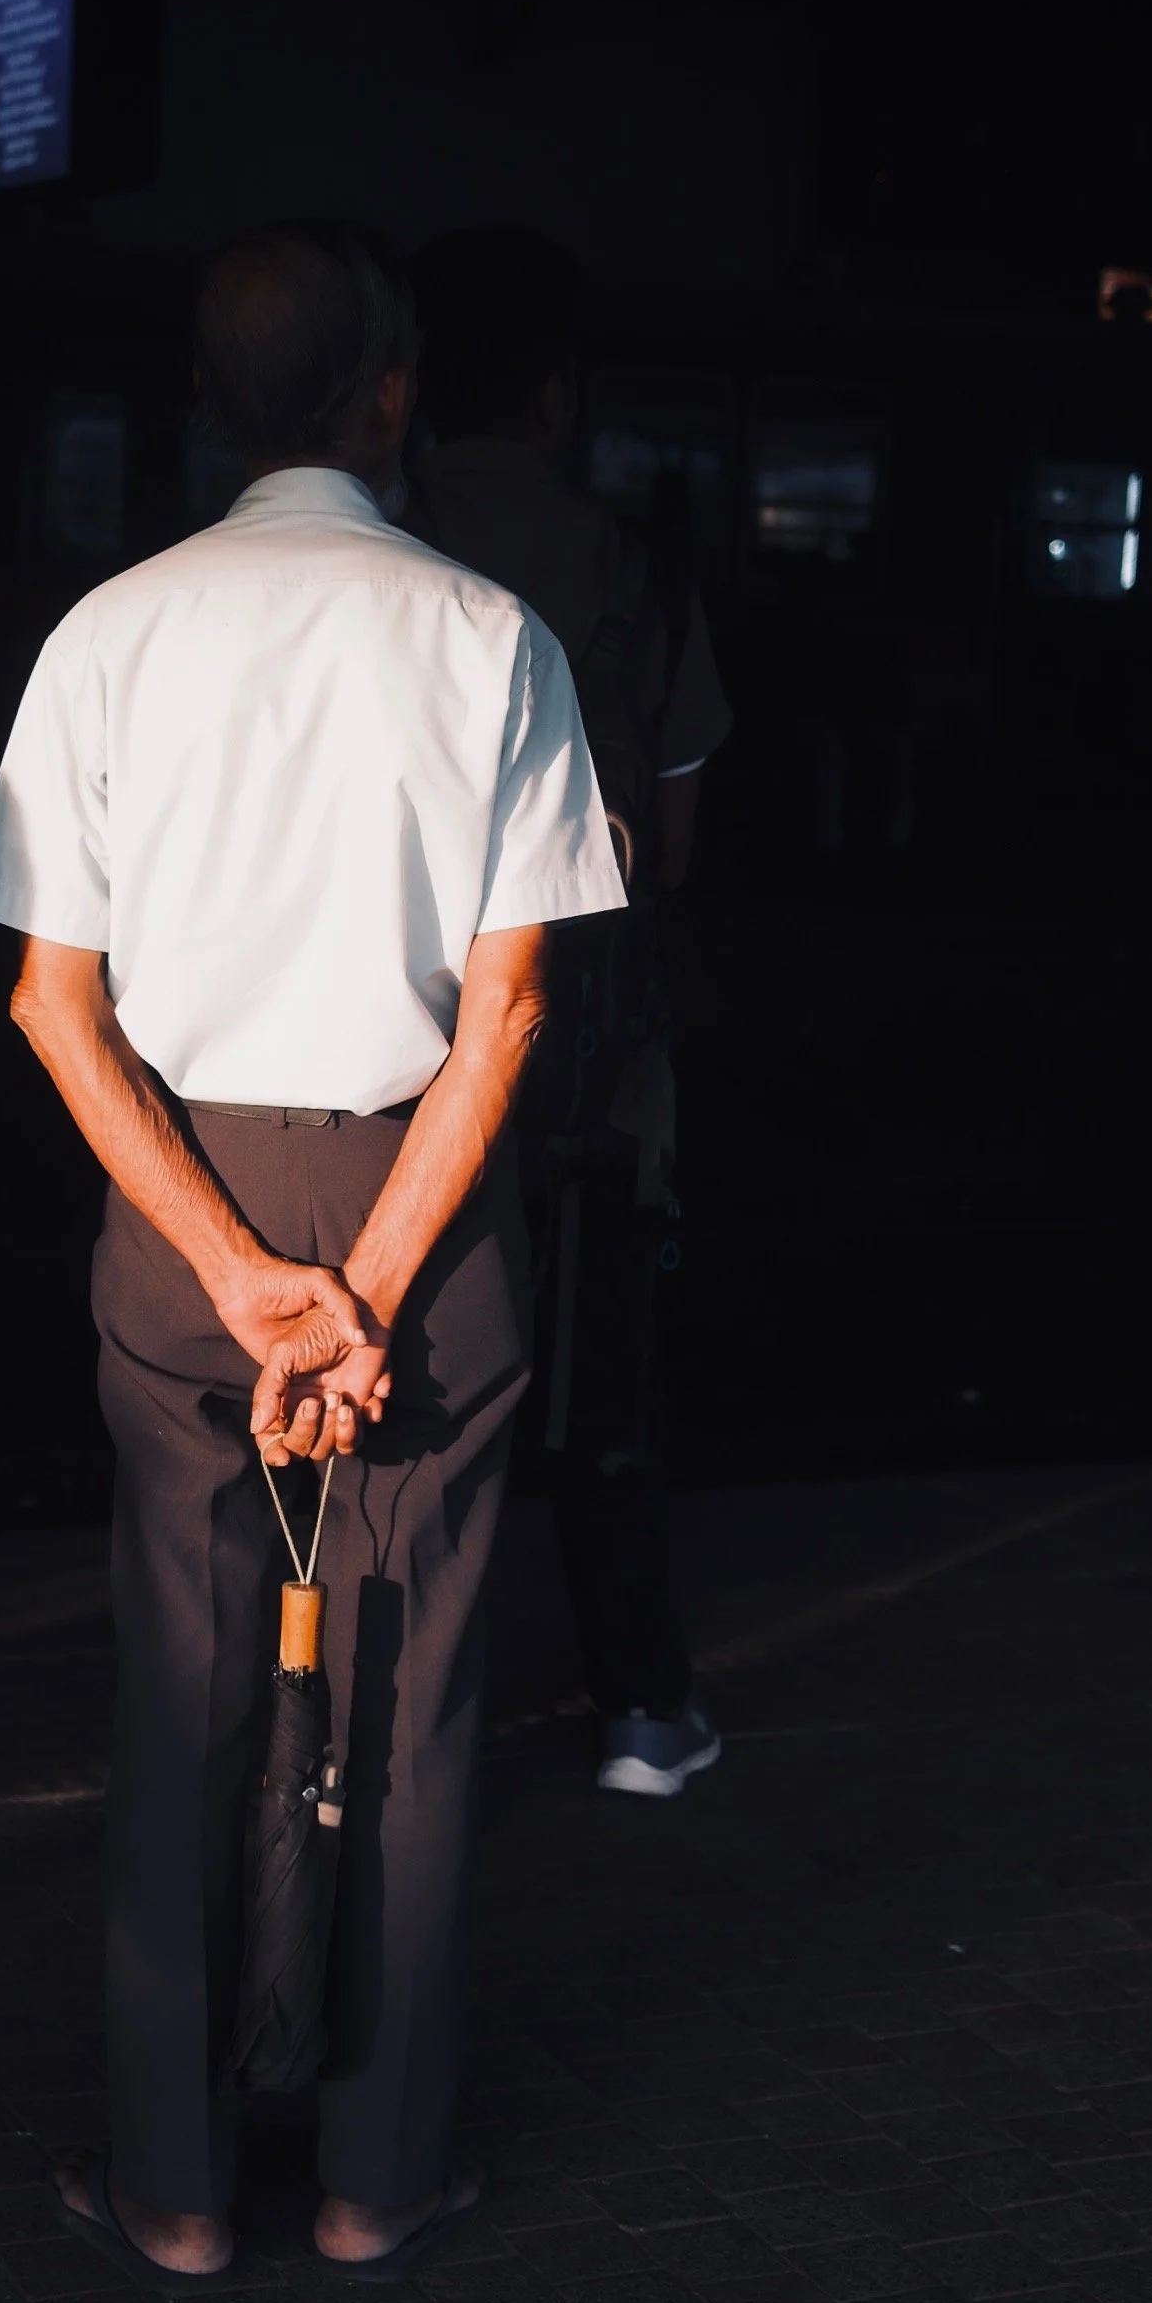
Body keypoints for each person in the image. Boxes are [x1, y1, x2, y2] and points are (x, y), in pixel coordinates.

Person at [0, 221, 625, 2280]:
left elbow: (53, 1010)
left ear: (210, 404)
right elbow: (505, 1017)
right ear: (390, 393)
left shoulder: (106, 635)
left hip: (183, 1231)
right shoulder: (493, 636)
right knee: (413, 1713)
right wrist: (370, 1280)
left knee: (185, 1692)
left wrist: (244, 1279)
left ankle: (169, 2187)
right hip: (429, 1208)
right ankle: (372, 2179)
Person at [411, 227, 731, 1800]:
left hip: (400, 1062)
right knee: (604, 1384)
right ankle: (640, 1705)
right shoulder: (639, 575)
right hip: (596, 1065)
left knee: (408, 1385)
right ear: (551, 399)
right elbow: (664, 848)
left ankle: (401, 1713)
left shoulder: (384, 557)